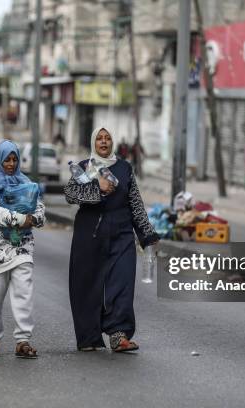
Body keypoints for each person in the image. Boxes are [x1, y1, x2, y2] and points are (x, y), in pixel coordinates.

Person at [64, 127, 159, 352]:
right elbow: (70, 194)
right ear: (93, 142)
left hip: (122, 234)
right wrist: (98, 187)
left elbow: (135, 203)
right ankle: (89, 337)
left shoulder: (124, 168)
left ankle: (119, 335)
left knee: (123, 283)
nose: (104, 142)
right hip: (90, 235)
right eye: (99, 138)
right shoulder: (86, 168)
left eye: (107, 138)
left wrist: (147, 236)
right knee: (87, 287)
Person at [0, 140, 45, 359]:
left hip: (21, 246)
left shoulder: (26, 182)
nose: (10, 163)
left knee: (23, 293)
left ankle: (23, 341)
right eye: (6, 159)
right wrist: (22, 219)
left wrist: (33, 219)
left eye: (14, 159)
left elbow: (40, 210)